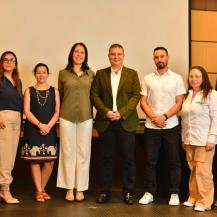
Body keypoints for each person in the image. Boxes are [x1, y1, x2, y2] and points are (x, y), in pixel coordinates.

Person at [91, 43, 140, 205]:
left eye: (119, 54)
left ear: (123, 56)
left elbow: (135, 96)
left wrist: (122, 112)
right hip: (106, 122)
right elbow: (94, 95)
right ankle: (105, 192)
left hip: (126, 122)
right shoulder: (100, 74)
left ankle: (128, 192)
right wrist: (105, 111)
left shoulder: (132, 74)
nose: (116, 57)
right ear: (108, 56)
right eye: (113, 54)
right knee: (105, 159)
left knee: (128, 159)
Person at [139, 47, 186, 206]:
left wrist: (164, 117)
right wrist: (154, 117)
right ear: (154, 59)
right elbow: (143, 101)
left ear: (168, 57)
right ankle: (150, 192)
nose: (159, 59)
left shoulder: (177, 78)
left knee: (174, 161)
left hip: (170, 126)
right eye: (156, 57)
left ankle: (174, 193)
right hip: (151, 127)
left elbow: (179, 102)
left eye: (162, 56)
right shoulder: (147, 78)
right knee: (150, 162)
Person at [57, 42, 94, 202]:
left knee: (83, 153)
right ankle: (69, 188)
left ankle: (80, 189)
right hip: (66, 117)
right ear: (71, 54)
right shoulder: (63, 74)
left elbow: (94, 96)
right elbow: (60, 95)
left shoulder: (91, 74)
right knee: (67, 153)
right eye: (76, 52)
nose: (79, 54)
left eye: (82, 52)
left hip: (86, 118)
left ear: (85, 56)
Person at [21, 63, 60, 202]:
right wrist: (39, 125)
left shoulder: (55, 91)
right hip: (33, 129)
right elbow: (26, 111)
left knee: (49, 162)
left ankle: (41, 189)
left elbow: (57, 112)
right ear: (35, 74)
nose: (41, 74)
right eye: (38, 72)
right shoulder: (29, 90)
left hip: (49, 129)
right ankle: (39, 191)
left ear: (48, 74)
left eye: (44, 72)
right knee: (35, 161)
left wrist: (48, 126)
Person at [181, 66, 217, 212]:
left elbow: (216, 117)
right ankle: (194, 197)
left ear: (203, 78)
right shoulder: (187, 95)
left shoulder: (211, 94)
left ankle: (205, 202)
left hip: (204, 140)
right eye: (191, 76)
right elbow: (185, 119)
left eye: (197, 76)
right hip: (190, 140)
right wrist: (184, 138)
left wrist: (212, 138)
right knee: (194, 170)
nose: (193, 79)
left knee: (203, 171)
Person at [0, 51, 22, 204]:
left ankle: (4, 188)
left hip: (17, 118)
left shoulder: (17, 81)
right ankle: (4, 190)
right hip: (4, 118)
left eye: (11, 60)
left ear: (15, 63)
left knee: (11, 157)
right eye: (5, 60)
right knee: (5, 156)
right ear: (1, 63)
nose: (8, 62)